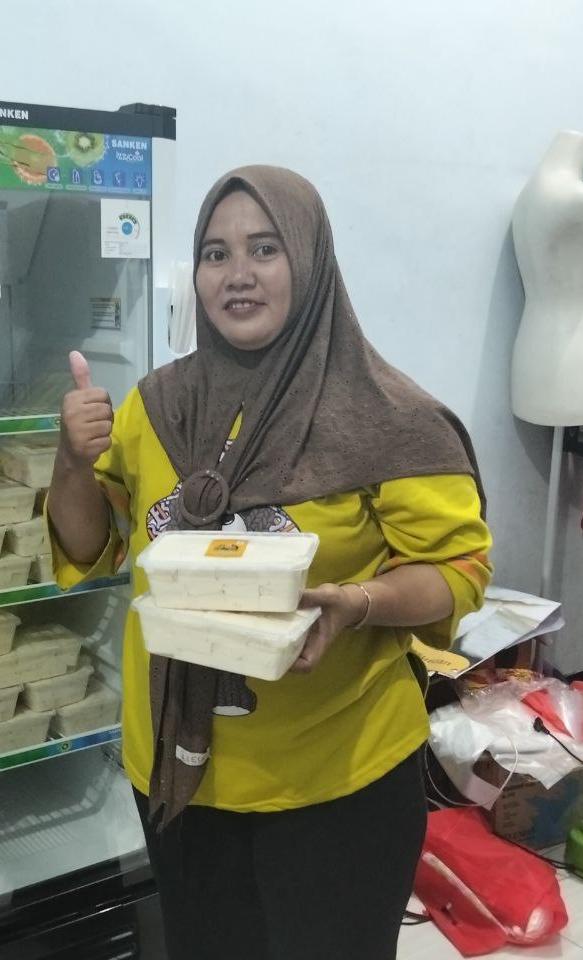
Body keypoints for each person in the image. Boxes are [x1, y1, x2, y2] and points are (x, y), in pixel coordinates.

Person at [47, 165, 492, 960]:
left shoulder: (390, 419)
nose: (238, 274)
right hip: (181, 776)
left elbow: (457, 572)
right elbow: (91, 546)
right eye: (216, 254)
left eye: (265, 248)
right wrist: (73, 461)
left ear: (311, 262)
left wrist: (356, 603)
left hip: (336, 782)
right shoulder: (160, 405)